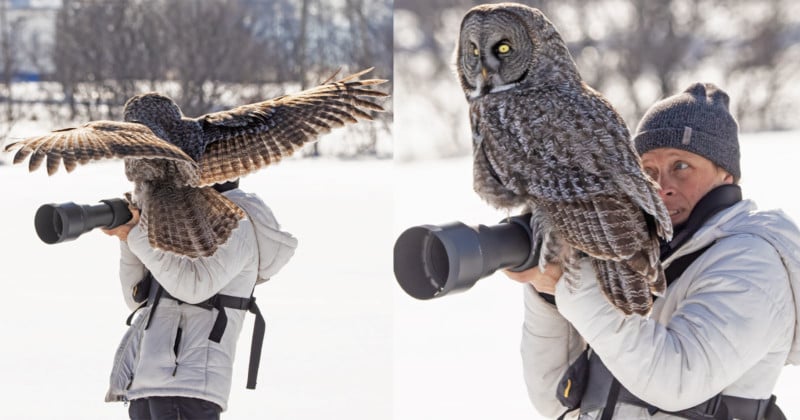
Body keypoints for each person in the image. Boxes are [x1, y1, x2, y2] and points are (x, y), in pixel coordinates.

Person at [508, 83, 800, 419]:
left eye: (681, 167)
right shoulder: (635, 258)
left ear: (726, 174)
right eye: (649, 171)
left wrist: (570, 283)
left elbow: (676, 380)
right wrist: (550, 296)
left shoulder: (753, 262)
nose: (663, 187)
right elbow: (555, 399)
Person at [102, 180, 298, 419]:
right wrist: (130, 237)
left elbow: (193, 287)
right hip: (146, 381)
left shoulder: (235, 224)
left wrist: (136, 238)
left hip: (188, 386)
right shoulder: (183, 221)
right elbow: (139, 300)